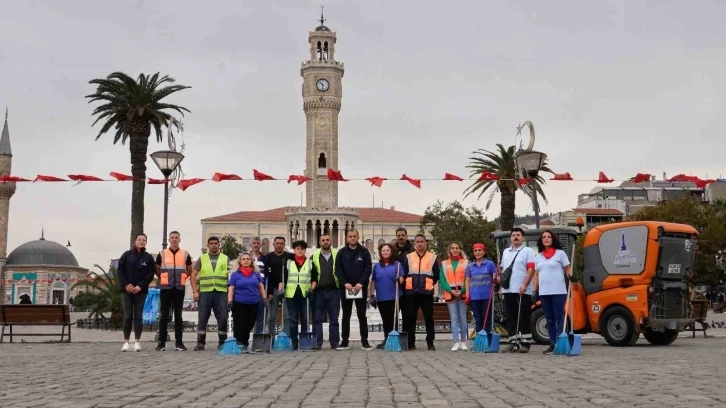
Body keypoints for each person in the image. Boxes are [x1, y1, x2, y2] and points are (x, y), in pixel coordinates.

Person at [533, 231, 574, 354]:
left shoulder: (560, 254)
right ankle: (553, 343)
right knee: (549, 319)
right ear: (541, 240)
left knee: (559, 318)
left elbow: (567, 268)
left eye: (549, 237)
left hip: (558, 291)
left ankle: (563, 341)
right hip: (544, 292)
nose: (546, 239)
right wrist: (534, 290)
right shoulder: (538, 256)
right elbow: (536, 274)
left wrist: (571, 276)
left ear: (553, 239)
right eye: (544, 237)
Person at [499, 227, 536, 353]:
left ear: (523, 238)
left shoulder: (528, 251)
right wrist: (501, 286)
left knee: (524, 317)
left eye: (518, 235)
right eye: (513, 235)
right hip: (508, 290)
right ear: (510, 238)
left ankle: (525, 343)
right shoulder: (506, 252)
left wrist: (525, 284)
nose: (515, 237)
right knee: (511, 317)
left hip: (522, 289)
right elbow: (503, 270)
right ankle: (512, 342)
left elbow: (531, 269)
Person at [154, 231, 193, 351]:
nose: (174, 239)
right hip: (166, 288)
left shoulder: (185, 254)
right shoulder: (162, 253)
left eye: (176, 238)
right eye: (172, 238)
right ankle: (161, 343)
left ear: (179, 240)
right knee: (164, 316)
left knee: (178, 316)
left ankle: (179, 343)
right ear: (169, 240)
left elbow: (189, 270)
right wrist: (164, 278)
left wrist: (182, 278)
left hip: (179, 288)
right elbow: (157, 269)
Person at [335, 229, 373, 350]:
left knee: (362, 315)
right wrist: (344, 283)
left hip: (360, 288)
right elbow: (338, 269)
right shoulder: (341, 252)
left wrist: (360, 283)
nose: (352, 238)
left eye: (354, 236)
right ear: (347, 238)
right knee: (346, 315)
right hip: (346, 288)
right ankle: (344, 341)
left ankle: (365, 342)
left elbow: (368, 268)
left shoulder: (364, 252)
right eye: (350, 236)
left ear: (358, 237)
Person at [117, 233, 156, 352]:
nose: (141, 241)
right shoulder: (126, 255)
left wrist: (140, 286)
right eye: (139, 239)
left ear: (146, 243)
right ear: (135, 241)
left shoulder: (148, 257)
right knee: (128, 316)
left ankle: (137, 342)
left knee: (138, 316)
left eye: (144, 240)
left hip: (141, 291)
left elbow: (150, 274)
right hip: (126, 290)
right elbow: (120, 271)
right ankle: (126, 342)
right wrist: (127, 284)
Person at [401, 234, 440, 351]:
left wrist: (428, 283)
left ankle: (430, 342)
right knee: (410, 318)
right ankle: (410, 342)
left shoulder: (433, 257)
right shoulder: (408, 257)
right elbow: (405, 272)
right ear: (414, 244)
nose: (420, 244)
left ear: (425, 243)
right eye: (417, 242)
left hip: (426, 293)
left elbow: (436, 275)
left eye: (422, 241)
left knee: (428, 318)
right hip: (411, 293)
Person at [190, 236, 230, 351]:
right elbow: (193, 275)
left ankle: (222, 342)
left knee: (222, 318)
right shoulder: (202, 259)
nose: (213, 245)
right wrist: (195, 291)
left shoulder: (225, 258)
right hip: (205, 293)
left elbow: (230, 276)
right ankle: (200, 342)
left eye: (215, 243)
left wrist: (230, 293)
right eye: (211, 243)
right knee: (202, 318)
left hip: (221, 292)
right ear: (208, 245)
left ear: (219, 245)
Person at [228, 252, 267, 350]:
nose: (246, 261)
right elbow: (231, 288)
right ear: (240, 261)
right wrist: (229, 301)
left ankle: (245, 342)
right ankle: (240, 342)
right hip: (239, 302)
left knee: (250, 323)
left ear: (251, 261)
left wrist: (265, 298)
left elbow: (261, 287)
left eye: (248, 259)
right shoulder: (235, 274)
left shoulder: (256, 274)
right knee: (240, 323)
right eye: (243, 259)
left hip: (254, 302)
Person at [369, 243, 404, 349]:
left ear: (391, 252)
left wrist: (399, 280)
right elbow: (373, 281)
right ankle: (386, 339)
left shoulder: (397, 264)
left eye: (387, 250)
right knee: (385, 319)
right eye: (383, 250)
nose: (385, 252)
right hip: (381, 297)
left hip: (395, 297)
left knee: (393, 319)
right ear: (380, 253)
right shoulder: (376, 267)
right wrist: (371, 295)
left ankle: (395, 339)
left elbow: (402, 278)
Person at [285, 240, 318, 350]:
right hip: (291, 294)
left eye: (302, 249)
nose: (300, 251)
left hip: (305, 294)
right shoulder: (288, 263)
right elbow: (284, 278)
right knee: (293, 319)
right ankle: (294, 341)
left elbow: (314, 279)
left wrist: (311, 289)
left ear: (305, 250)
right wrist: (282, 290)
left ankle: (304, 341)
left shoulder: (310, 263)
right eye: (298, 249)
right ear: (294, 250)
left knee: (305, 319)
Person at [311, 233, 341, 350]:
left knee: (334, 318)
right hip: (319, 291)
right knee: (317, 318)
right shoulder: (314, 256)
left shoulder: (337, 255)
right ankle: (317, 342)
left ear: (331, 241)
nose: (325, 242)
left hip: (334, 290)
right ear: (319, 242)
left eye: (327, 239)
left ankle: (334, 342)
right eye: (323, 240)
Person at [439, 241, 469, 351]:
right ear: (449, 250)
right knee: (454, 318)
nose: (455, 250)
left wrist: (462, 291)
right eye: (453, 248)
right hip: (450, 294)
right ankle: (456, 341)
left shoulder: (466, 263)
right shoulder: (444, 263)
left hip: (463, 293)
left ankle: (464, 341)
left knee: (463, 318)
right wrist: (450, 291)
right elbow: (442, 279)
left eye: (457, 248)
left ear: (460, 250)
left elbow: (468, 279)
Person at [465, 243, 497, 340]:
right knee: (478, 319)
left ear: (484, 252)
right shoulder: (470, 266)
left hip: (487, 296)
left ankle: (488, 340)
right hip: (475, 296)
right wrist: (467, 294)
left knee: (486, 319)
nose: (477, 252)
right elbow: (467, 281)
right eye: (475, 251)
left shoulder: (490, 264)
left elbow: (495, 277)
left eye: (480, 250)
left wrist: (496, 279)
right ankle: (480, 340)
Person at [265, 236, 294, 337]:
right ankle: (271, 337)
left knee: (287, 316)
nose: (279, 245)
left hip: (287, 289)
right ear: (273, 245)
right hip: (273, 290)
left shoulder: (290, 257)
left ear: (284, 245)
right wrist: (268, 292)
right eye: (277, 243)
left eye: (281, 244)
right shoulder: (268, 257)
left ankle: (286, 337)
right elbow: (266, 275)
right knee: (271, 316)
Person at [392, 228, 415, 338]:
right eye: (398, 235)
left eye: (402, 235)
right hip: (395, 287)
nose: (400, 237)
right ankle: (394, 337)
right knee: (394, 315)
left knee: (407, 315)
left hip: (408, 287)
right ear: (396, 237)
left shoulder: (411, 251)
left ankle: (409, 340)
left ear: (406, 236)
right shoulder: (393, 250)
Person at [250, 237, 270, 335]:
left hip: (262, 288)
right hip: (249, 289)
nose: (256, 245)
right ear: (250, 245)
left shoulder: (265, 258)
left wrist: (268, 292)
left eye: (258, 243)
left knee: (261, 314)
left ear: (260, 245)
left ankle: (258, 335)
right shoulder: (246, 258)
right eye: (254, 243)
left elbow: (268, 275)